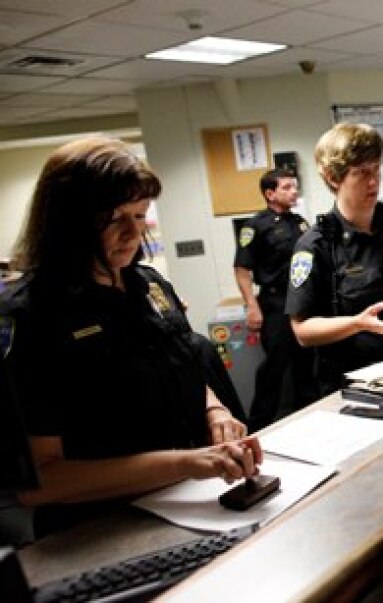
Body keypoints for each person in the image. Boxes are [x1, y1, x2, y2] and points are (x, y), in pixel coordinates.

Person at [0, 137, 262, 540]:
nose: (132, 233)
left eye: (140, 216)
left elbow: (182, 365)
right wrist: (184, 463)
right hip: (102, 529)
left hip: (191, 505)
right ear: (68, 220)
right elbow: (39, 481)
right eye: (114, 217)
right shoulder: (30, 313)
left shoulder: (150, 285)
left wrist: (215, 412)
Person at [286, 123, 383, 397]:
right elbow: (302, 330)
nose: (373, 182)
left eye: (376, 170)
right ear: (334, 178)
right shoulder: (316, 245)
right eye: (361, 173)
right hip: (360, 384)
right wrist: (358, 323)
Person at [234, 168, 317, 431]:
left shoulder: (300, 223)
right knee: (275, 367)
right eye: (287, 187)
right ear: (270, 194)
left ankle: (311, 421)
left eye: (295, 187)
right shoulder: (255, 226)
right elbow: (242, 269)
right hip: (274, 304)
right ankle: (258, 426)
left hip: (302, 302)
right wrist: (252, 306)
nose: (294, 192)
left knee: (307, 364)